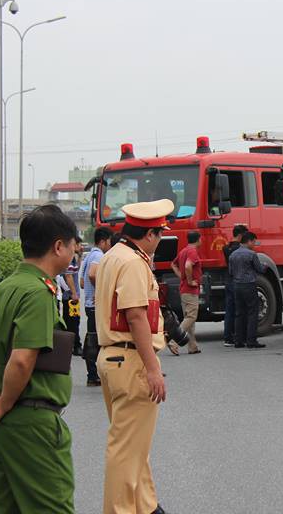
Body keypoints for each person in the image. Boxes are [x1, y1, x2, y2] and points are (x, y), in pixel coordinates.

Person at [0, 204, 78, 514]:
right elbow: (21, 360)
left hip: (3, 428)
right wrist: (3, 403)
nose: (75, 252)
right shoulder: (37, 293)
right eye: (73, 245)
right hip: (31, 422)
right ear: (58, 246)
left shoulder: (4, 289)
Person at [94, 199, 174, 514]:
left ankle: (146, 505)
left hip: (113, 359)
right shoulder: (133, 263)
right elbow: (137, 316)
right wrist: (153, 369)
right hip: (130, 361)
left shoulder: (113, 256)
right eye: (160, 234)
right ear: (150, 235)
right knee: (126, 450)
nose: (160, 241)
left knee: (132, 444)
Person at [79, 227, 114, 387]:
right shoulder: (99, 255)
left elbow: (82, 280)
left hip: (88, 303)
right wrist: (100, 290)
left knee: (92, 337)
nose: (110, 245)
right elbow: (93, 274)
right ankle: (93, 375)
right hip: (95, 304)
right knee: (96, 339)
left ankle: (93, 374)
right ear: (104, 240)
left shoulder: (89, 255)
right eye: (109, 241)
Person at [229, 231, 266, 349]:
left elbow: (230, 272)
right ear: (249, 241)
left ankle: (238, 341)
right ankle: (251, 340)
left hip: (237, 285)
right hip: (249, 285)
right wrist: (265, 265)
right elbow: (259, 269)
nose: (254, 244)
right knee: (252, 312)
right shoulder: (251, 254)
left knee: (239, 313)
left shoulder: (232, 255)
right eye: (254, 242)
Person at [171, 230, 202, 355]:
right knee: (191, 317)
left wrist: (182, 277)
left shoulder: (184, 250)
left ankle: (192, 346)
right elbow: (189, 266)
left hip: (183, 289)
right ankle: (174, 341)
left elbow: (173, 264)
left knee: (189, 318)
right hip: (190, 289)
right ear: (198, 239)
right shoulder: (192, 252)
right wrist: (189, 280)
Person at [222, 224, 247, 346]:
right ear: (241, 235)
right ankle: (239, 336)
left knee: (229, 309)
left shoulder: (226, 248)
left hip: (228, 280)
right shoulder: (241, 250)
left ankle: (227, 337)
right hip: (238, 280)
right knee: (240, 310)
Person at [64, 242, 83, 355]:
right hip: (70, 297)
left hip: (71, 296)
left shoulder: (73, 257)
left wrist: (80, 256)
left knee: (73, 321)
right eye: (78, 244)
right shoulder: (69, 257)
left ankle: (72, 345)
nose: (80, 246)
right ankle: (76, 346)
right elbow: (68, 275)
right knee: (73, 322)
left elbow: (76, 270)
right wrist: (74, 293)